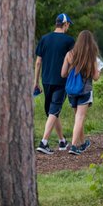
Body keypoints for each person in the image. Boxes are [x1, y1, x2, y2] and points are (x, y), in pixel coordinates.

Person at [34, 13, 75, 154]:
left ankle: (62, 141)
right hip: (61, 80)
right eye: (68, 24)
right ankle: (44, 142)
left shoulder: (44, 39)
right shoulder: (69, 41)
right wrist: (69, 73)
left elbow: (38, 62)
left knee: (53, 111)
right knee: (53, 110)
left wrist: (36, 82)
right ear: (65, 24)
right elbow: (72, 61)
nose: (68, 27)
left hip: (46, 80)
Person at [60, 29, 102, 155]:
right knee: (80, 117)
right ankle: (73, 146)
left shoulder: (69, 54)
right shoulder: (91, 57)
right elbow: (95, 77)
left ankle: (82, 143)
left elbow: (63, 74)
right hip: (85, 91)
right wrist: (98, 70)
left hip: (72, 91)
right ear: (91, 42)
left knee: (78, 118)